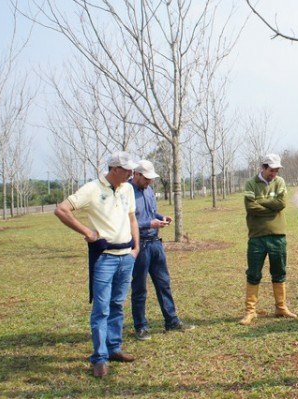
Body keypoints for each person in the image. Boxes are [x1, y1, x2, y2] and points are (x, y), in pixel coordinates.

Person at [54, 151, 139, 379]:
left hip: (126, 257)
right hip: (105, 258)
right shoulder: (92, 189)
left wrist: (135, 249)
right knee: (101, 309)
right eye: (127, 170)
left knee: (117, 305)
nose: (132, 174)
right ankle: (99, 357)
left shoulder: (128, 189)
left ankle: (114, 348)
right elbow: (62, 210)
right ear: (114, 169)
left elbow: (132, 218)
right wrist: (88, 232)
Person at [129, 160, 194, 340]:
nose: (149, 182)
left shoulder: (149, 190)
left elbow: (152, 213)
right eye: (146, 178)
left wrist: (161, 217)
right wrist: (149, 223)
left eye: (151, 178)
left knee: (163, 283)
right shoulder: (126, 192)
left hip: (156, 243)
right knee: (140, 287)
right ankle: (140, 326)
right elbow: (127, 222)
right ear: (137, 174)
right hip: (139, 245)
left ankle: (172, 321)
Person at [239, 153, 296, 325]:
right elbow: (250, 207)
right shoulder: (250, 183)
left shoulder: (280, 182)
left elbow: (282, 204)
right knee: (254, 273)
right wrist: (271, 207)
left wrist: (261, 201)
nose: (274, 174)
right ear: (263, 168)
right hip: (257, 237)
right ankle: (250, 311)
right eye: (272, 170)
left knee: (279, 272)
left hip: (278, 236)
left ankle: (281, 307)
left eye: (277, 170)